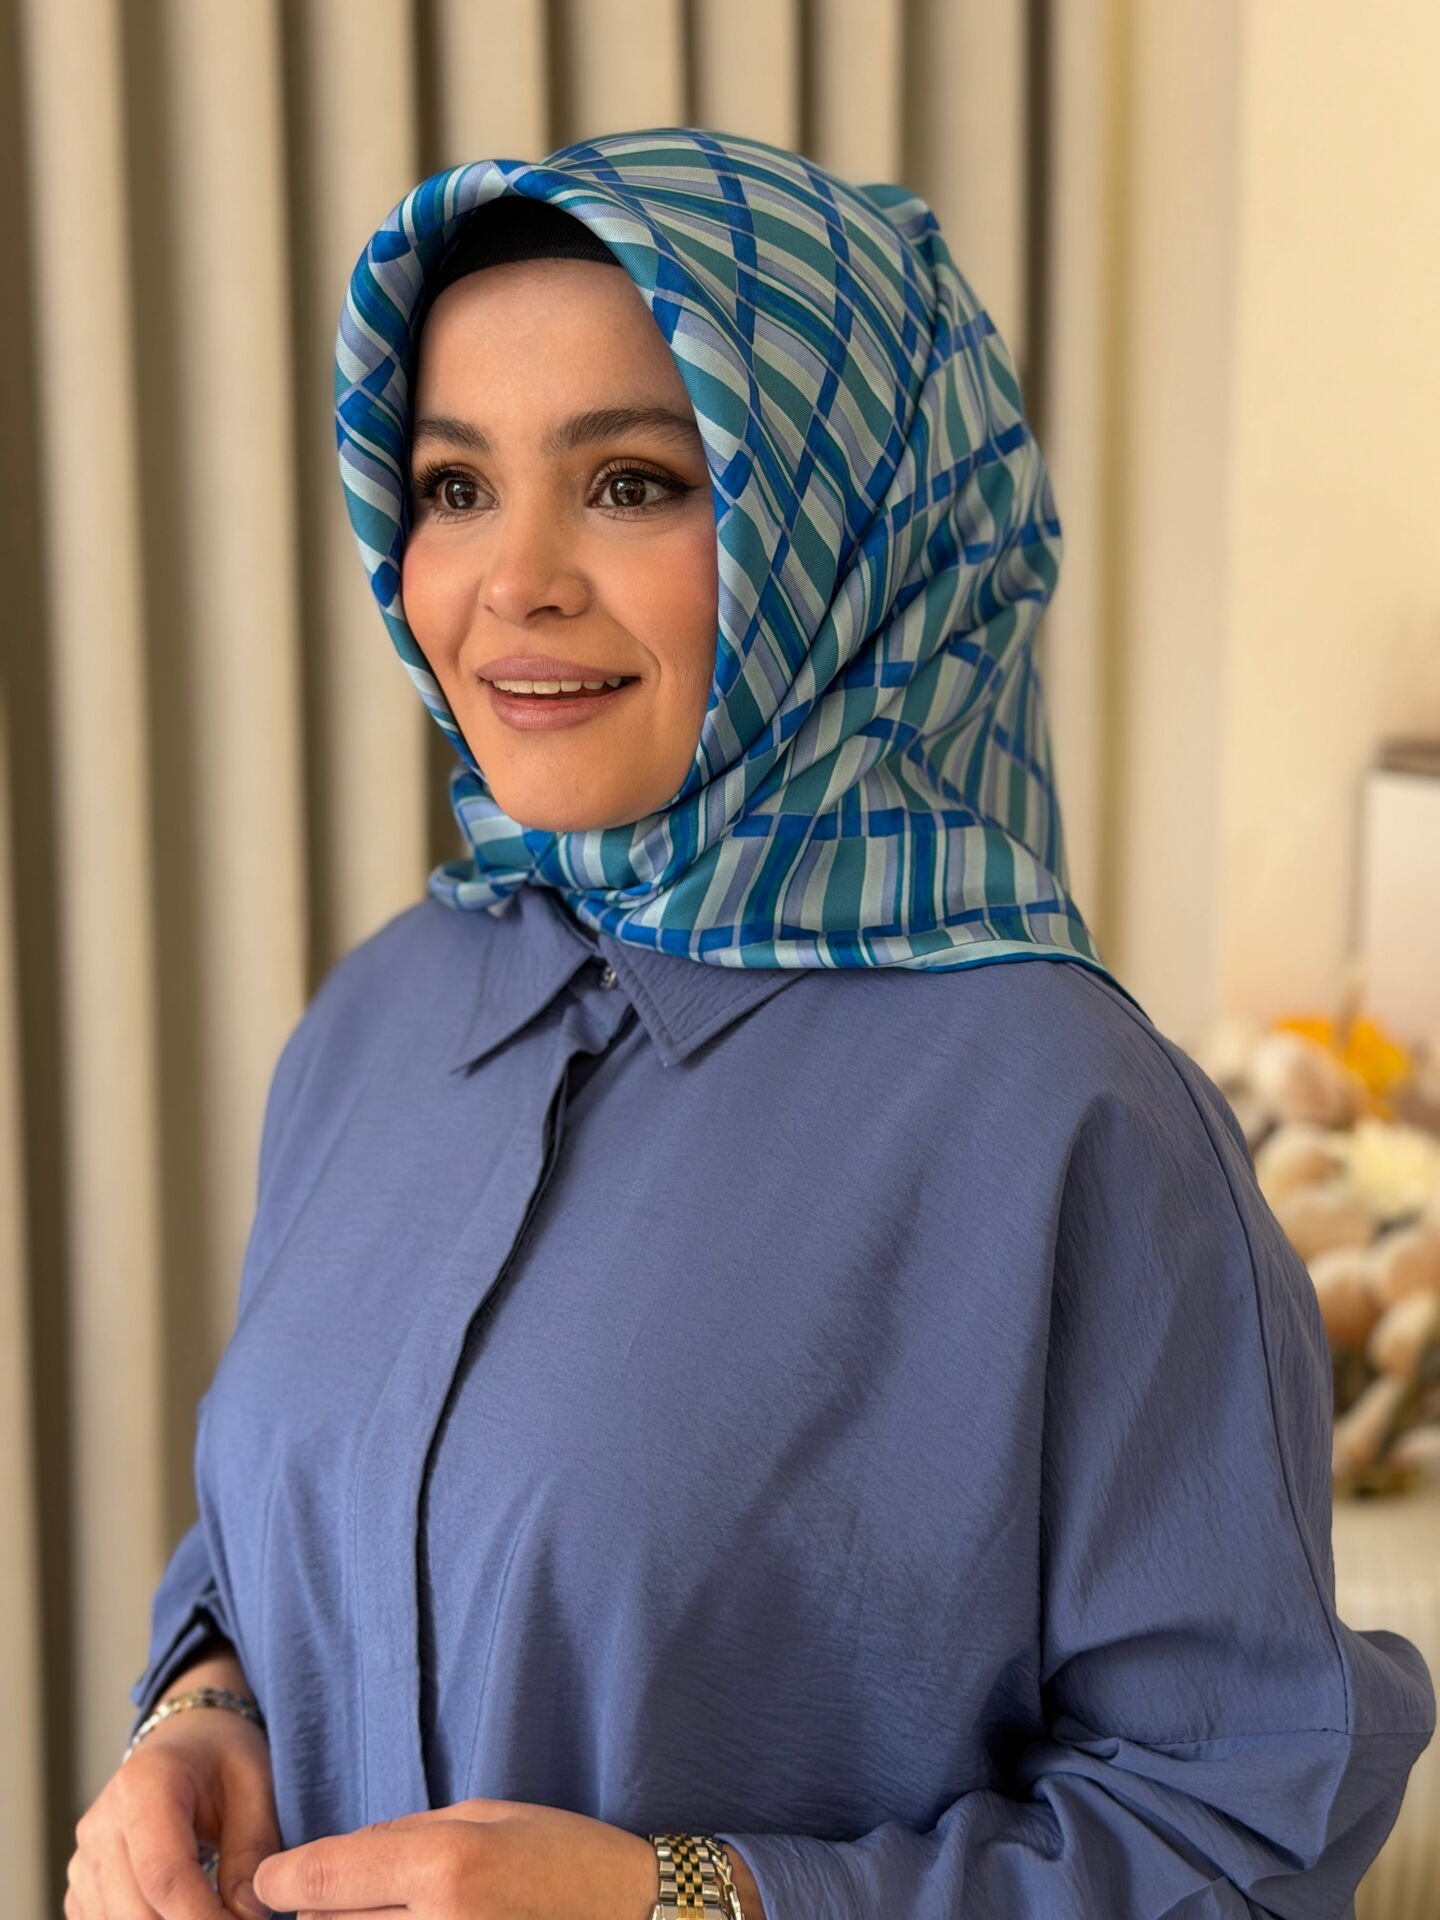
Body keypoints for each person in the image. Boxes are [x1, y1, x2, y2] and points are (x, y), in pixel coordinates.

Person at [89, 128, 1431, 1920]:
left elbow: (1239, 1837)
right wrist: (204, 1713)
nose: (513, 579)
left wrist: (686, 1898)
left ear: (848, 535)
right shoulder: (386, 1013)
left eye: (633, 482)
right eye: (455, 485)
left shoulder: (1069, 1116)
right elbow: (293, 1522)